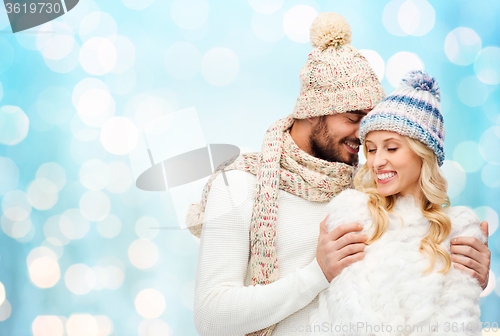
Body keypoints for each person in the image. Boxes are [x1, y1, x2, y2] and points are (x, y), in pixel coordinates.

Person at [188, 12, 491, 336]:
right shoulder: (239, 184)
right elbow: (211, 318)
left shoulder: (372, 191)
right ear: (311, 112)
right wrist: (317, 274)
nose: (364, 136)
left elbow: (414, 284)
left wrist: (467, 273)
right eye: (353, 117)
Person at [311, 70, 484, 335]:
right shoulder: (352, 216)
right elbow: (341, 316)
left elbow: (460, 323)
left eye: (391, 148)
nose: (377, 161)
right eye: (370, 148)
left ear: (423, 154)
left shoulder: (458, 232)